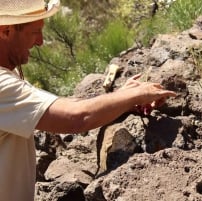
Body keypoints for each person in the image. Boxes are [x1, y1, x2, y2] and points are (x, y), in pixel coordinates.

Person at [0, 0, 176, 200]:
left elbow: (56, 105)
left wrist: (120, 100)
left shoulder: (8, 74)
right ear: (5, 30)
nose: (40, 41)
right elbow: (76, 117)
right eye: (34, 32)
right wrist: (135, 94)